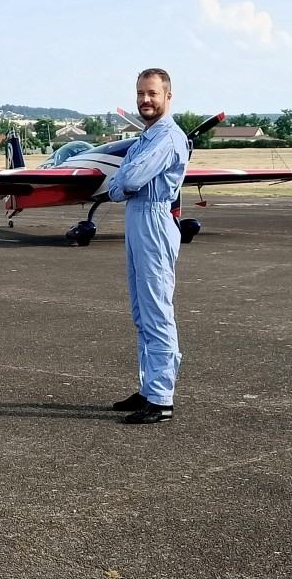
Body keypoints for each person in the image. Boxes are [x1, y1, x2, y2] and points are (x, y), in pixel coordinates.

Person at [107, 69, 189, 424]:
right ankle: (148, 387)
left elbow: (132, 178)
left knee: (156, 309)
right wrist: (125, 181)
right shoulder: (146, 138)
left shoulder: (168, 137)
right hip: (136, 216)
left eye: (152, 93)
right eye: (141, 93)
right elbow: (116, 186)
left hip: (154, 219)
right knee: (142, 310)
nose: (145, 100)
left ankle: (161, 397)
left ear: (168, 96)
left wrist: (125, 180)